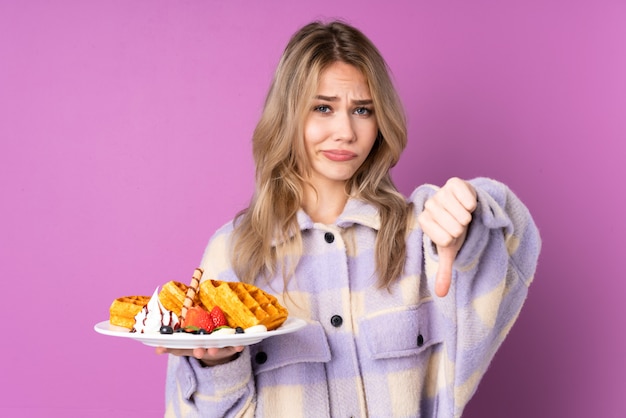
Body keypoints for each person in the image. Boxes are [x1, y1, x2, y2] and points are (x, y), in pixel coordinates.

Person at [156, 20, 541, 418]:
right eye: (323, 108)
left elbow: (514, 248)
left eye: (362, 110)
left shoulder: (422, 235)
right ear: (288, 116)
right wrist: (217, 366)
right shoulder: (234, 252)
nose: (345, 131)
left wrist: (474, 208)